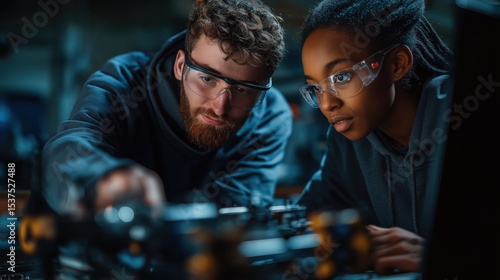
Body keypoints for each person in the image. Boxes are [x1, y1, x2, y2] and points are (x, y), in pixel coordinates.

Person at [41, 0, 291, 218]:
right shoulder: (123, 84)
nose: (220, 107)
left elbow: (235, 217)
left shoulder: (270, 117)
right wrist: (101, 176)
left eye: (244, 90)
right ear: (180, 65)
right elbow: (69, 149)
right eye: (207, 79)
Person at [296, 0, 453, 275]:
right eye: (315, 88)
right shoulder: (346, 140)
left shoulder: (459, 109)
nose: (326, 104)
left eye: (342, 77)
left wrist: (441, 258)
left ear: (397, 64)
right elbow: (311, 215)